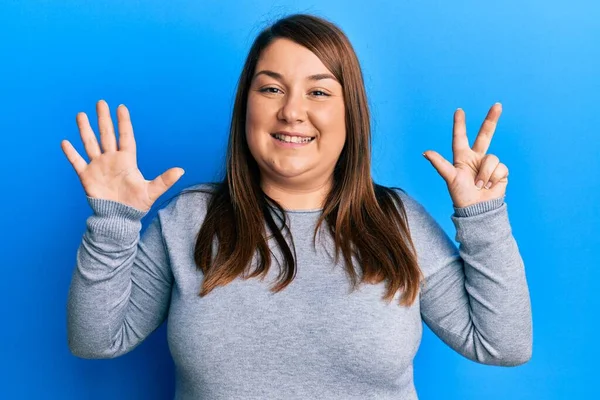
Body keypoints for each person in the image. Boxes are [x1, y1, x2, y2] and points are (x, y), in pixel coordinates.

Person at [62, 13, 532, 400]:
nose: (291, 111)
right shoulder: (190, 219)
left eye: (319, 92)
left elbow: (502, 343)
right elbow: (96, 340)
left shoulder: (397, 222)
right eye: (271, 88)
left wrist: (484, 218)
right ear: (246, 106)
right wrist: (113, 222)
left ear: (351, 114)